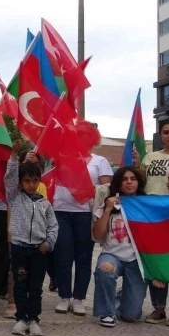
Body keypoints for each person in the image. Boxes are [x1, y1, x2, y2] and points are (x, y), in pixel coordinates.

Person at [133, 114, 169, 327]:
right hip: (154, 217)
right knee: (156, 259)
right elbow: (141, 184)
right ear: (160, 134)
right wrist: (138, 167)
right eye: (166, 132)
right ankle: (158, 308)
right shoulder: (150, 158)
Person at [53, 124, 112, 316]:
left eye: (86, 135)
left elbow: (108, 188)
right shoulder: (59, 157)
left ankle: (78, 298)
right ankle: (64, 296)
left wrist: (89, 189)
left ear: (94, 138)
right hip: (60, 211)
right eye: (77, 135)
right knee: (63, 256)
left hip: (86, 214)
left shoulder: (99, 160)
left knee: (83, 258)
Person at [5, 141, 58, 336]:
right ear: (20, 182)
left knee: (35, 286)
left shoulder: (45, 204)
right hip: (19, 248)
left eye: (35, 180)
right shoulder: (14, 197)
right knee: (20, 284)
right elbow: (9, 179)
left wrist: (48, 243)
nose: (31, 184)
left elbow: (53, 226)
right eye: (27, 181)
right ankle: (20, 318)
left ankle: (33, 319)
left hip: (39, 250)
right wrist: (13, 157)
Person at [92, 167, 147, 328]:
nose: (129, 182)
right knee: (105, 268)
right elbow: (97, 234)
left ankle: (121, 295)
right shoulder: (109, 203)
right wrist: (108, 209)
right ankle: (106, 313)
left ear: (138, 182)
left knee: (131, 315)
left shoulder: (146, 204)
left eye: (133, 179)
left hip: (136, 259)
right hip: (112, 255)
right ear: (118, 183)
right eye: (124, 179)